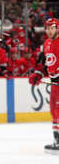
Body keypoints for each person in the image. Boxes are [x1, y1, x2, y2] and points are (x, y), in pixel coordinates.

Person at [29, 18, 59, 153]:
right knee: (54, 111)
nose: (49, 31)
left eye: (52, 28)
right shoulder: (46, 43)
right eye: (47, 28)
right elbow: (45, 64)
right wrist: (38, 74)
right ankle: (57, 141)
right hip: (54, 83)